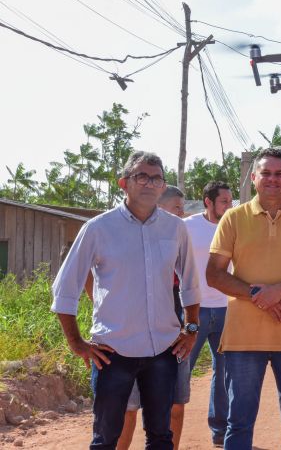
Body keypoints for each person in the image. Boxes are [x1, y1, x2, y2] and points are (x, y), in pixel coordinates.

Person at [51, 151, 200, 449]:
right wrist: (77, 343)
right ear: (124, 183)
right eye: (141, 176)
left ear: (162, 186)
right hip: (113, 353)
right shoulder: (97, 229)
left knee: (161, 435)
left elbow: (190, 283)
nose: (149, 183)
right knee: (106, 437)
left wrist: (191, 328)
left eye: (156, 178)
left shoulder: (175, 228)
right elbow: (65, 288)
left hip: (163, 351)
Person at [205, 148, 281, 450]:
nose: (272, 179)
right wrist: (258, 294)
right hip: (243, 339)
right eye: (266, 173)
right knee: (239, 422)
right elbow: (214, 274)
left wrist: (280, 290)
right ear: (253, 177)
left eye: (279, 174)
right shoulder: (233, 218)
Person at [94, 185, 193, 450]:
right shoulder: (107, 230)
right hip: (121, 344)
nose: (182, 213)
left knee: (171, 411)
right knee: (123, 415)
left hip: (169, 340)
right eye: (177, 207)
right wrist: (103, 309)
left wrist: (191, 327)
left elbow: (192, 285)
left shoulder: (176, 235)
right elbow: (80, 280)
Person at [186, 181, 234, 448]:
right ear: (208, 202)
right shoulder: (188, 227)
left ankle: (219, 429)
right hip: (194, 313)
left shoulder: (235, 227)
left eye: (231, 201)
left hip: (227, 310)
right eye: (224, 201)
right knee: (183, 368)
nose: (229, 206)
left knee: (224, 370)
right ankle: (166, 425)